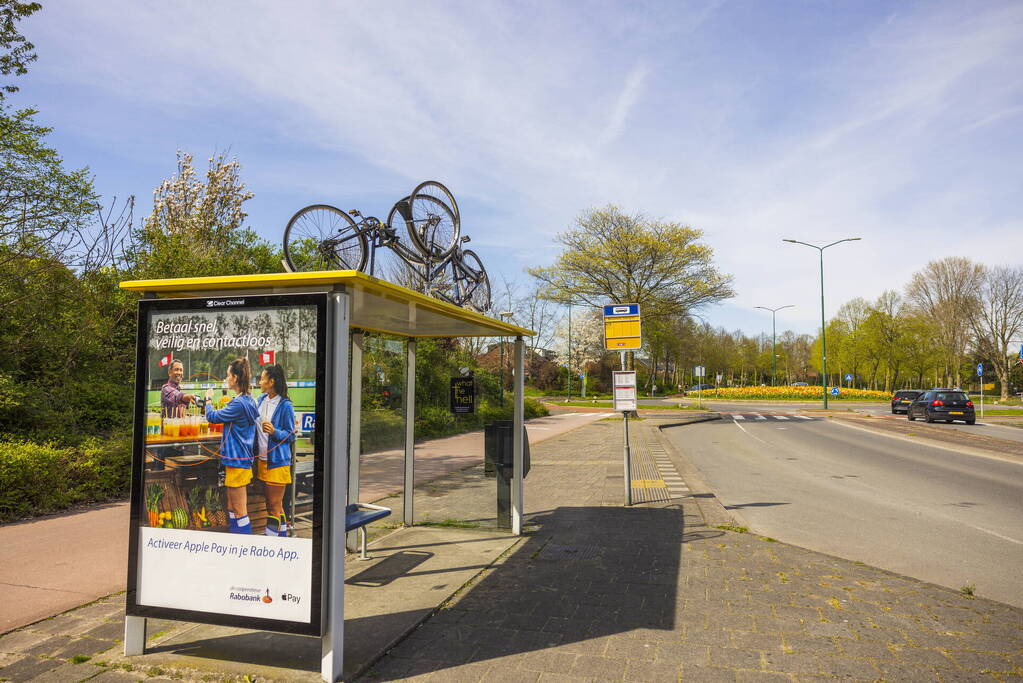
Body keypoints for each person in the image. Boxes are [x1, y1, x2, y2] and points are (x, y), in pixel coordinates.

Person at [205, 358, 259, 534]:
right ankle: (236, 542)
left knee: (240, 510)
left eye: (229, 375)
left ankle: (245, 548)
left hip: (237, 461)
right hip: (239, 461)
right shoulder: (249, 400)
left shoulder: (238, 404)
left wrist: (207, 400)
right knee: (231, 506)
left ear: (235, 377)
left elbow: (212, 417)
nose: (227, 378)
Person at [255, 364, 295, 537]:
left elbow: (291, 435)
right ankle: (282, 540)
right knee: (275, 506)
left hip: (277, 463)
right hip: (262, 461)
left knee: (273, 507)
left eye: (262, 378)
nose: (260, 381)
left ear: (271, 381)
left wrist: (275, 432)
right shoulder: (260, 400)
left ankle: (271, 544)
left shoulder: (285, 405)